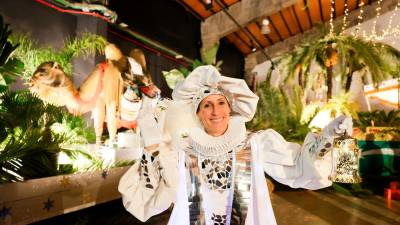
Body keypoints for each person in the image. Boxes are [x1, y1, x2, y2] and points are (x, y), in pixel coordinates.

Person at [118, 65, 353, 225]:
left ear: (230, 108)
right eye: (207, 105)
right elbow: (152, 199)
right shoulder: (185, 152)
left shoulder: (255, 143)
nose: (215, 111)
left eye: (221, 102)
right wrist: (151, 140)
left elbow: (302, 168)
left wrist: (334, 139)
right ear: (198, 113)